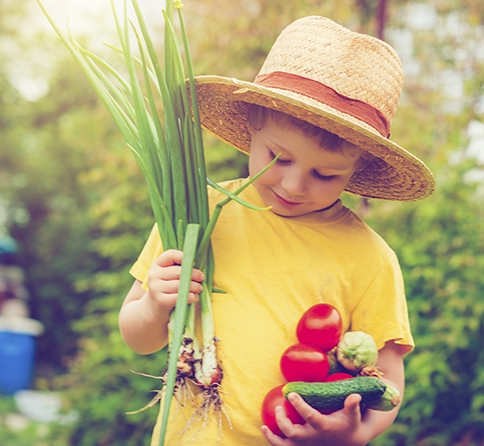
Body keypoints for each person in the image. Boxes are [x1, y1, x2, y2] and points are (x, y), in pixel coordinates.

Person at [118, 15, 435, 446]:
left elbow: (388, 385)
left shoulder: (371, 259)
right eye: (278, 158)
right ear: (253, 123)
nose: (293, 185)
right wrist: (155, 304)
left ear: (358, 167)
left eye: (324, 175)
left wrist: (349, 435)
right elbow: (138, 338)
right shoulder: (195, 212)